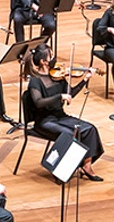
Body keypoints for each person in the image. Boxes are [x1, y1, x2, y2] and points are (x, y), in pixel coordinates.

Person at [23, 44, 103, 181]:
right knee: (69, 134)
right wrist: (59, 97)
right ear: (43, 62)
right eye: (51, 57)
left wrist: (85, 79)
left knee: (90, 129)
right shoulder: (35, 81)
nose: (55, 59)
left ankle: (86, 166)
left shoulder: (58, 76)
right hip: (44, 121)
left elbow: (70, 93)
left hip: (60, 117)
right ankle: (61, 170)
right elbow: (38, 102)